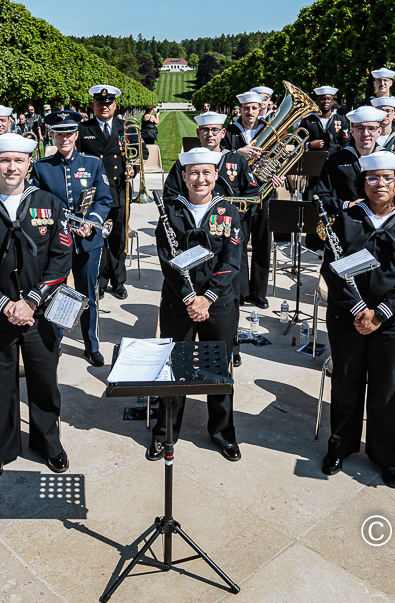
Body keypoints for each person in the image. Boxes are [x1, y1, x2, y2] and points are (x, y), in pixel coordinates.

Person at [0, 133, 73, 483]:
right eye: (4, 160)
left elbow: (61, 257)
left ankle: (48, 442)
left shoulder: (49, 203)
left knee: (44, 382)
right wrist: (5, 304)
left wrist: (33, 300)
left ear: (28, 164)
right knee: (0, 385)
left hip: (41, 313)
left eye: (18, 161)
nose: (11, 167)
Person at [319, 151, 395, 488]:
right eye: (372, 178)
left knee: (386, 390)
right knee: (346, 384)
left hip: (394, 323)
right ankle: (340, 447)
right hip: (348, 318)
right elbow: (332, 270)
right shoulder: (346, 218)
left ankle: (386, 458)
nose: (379, 184)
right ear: (363, 182)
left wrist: (380, 313)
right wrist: (358, 310)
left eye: (387, 178)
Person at [147, 148, 243, 462]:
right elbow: (167, 260)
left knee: (219, 371)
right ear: (184, 176)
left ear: (216, 175)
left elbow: (231, 261)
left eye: (206, 173)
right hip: (179, 303)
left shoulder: (228, 210)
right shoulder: (171, 210)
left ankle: (223, 433)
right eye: (193, 173)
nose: (200, 179)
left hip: (218, 304)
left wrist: (207, 298)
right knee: (175, 368)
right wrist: (190, 298)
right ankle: (164, 432)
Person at [30, 110, 112, 366]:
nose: (64, 139)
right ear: (52, 136)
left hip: (88, 241)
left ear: (76, 135)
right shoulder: (41, 168)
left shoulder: (93, 163)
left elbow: (104, 199)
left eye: (69, 134)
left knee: (88, 294)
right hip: (55, 243)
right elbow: (35, 205)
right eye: (59, 134)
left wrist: (91, 223)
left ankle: (91, 345)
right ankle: (55, 341)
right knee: (55, 292)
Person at [78, 84, 136, 300]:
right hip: (95, 194)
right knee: (97, 239)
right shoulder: (84, 129)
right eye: (100, 103)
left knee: (118, 240)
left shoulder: (126, 127)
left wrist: (133, 168)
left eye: (108, 103)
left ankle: (118, 282)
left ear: (115, 105)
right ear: (94, 105)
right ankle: (100, 282)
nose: (104, 106)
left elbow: (141, 152)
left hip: (120, 192)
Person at [223, 91, 273, 309]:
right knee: (238, 242)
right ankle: (241, 291)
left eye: (254, 108)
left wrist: (277, 175)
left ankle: (259, 293)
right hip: (238, 194)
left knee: (263, 244)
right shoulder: (230, 131)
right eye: (246, 108)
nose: (250, 112)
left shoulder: (269, 129)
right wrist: (238, 152)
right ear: (240, 109)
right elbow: (220, 155)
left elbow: (278, 157)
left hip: (263, 193)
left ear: (260, 108)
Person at [163, 112, 257, 202]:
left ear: (223, 133)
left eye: (215, 130)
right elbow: (171, 194)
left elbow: (252, 193)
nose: (210, 134)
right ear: (198, 133)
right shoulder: (186, 161)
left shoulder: (237, 160)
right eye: (205, 130)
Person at [310, 106, 387, 213]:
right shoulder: (336, 160)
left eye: (371, 128)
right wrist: (347, 205)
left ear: (379, 131)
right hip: (347, 219)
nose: (366, 133)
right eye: (360, 128)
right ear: (352, 131)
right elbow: (320, 197)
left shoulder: (388, 160)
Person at [302, 86, 349, 154]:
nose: (326, 102)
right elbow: (297, 143)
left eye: (329, 99)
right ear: (317, 101)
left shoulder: (341, 120)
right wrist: (309, 145)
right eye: (322, 99)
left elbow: (346, 143)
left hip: (335, 159)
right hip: (313, 159)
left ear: (332, 102)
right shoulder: (307, 121)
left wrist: (338, 156)